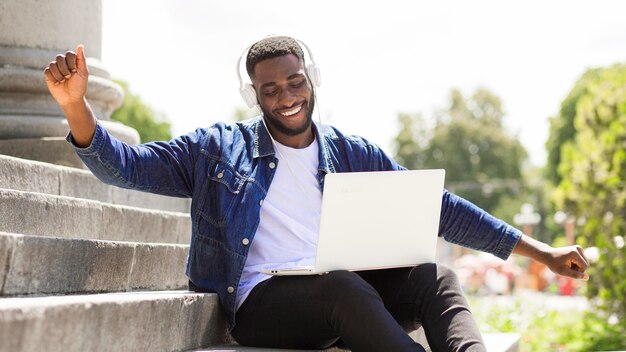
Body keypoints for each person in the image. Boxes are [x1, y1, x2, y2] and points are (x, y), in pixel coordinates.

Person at [44, 36, 590, 352]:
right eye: (270, 89)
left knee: (436, 275)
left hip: (351, 296)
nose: (286, 98)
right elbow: (128, 168)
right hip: (265, 305)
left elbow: (441, 211)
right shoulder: (217, 149)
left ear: (312, 80)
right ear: (252, 94)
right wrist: (75, 107)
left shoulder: (351, 152)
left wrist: (541, 252)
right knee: (342, 287)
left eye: (295, 82)